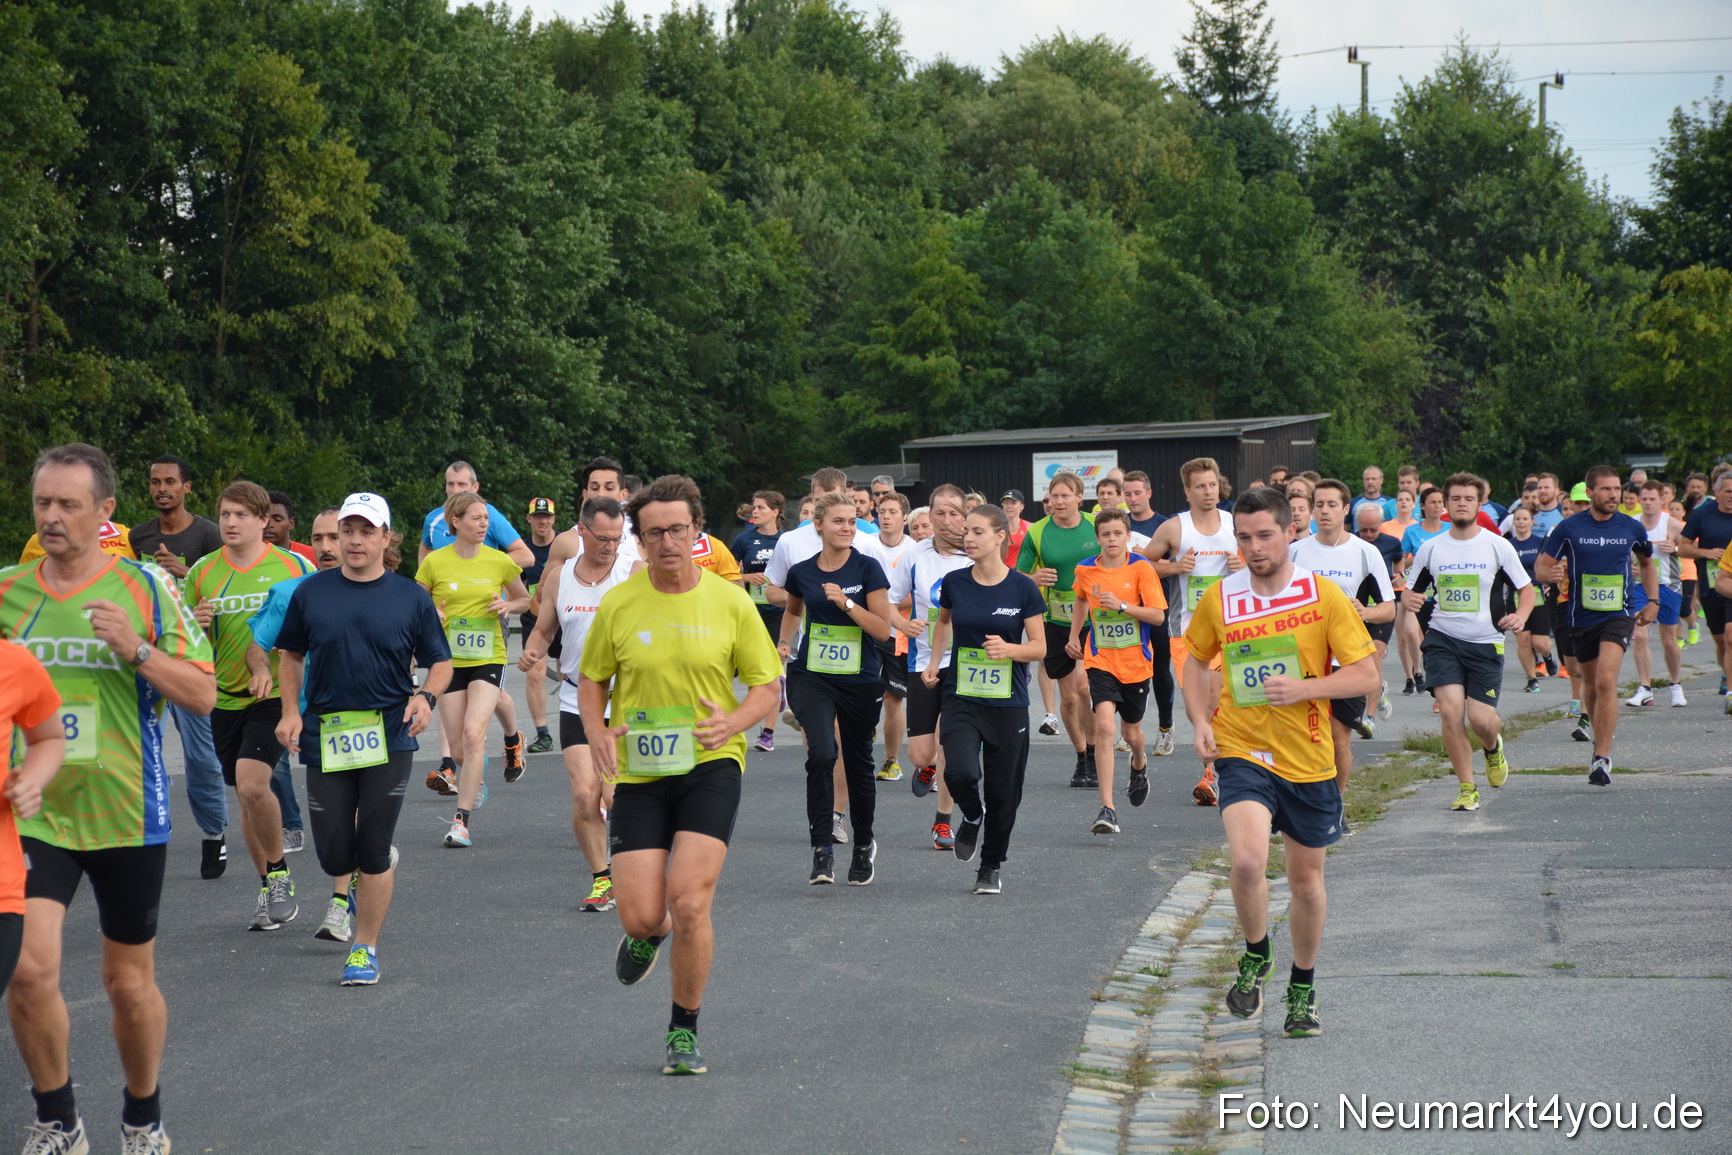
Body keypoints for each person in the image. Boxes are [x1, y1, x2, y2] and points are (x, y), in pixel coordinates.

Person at [3, 443, 216, 1155]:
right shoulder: (7, 592)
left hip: (127, 807)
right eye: (43, 503)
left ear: (105, 512)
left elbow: (204, 693)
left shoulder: (147, 588)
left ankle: (142, 1112)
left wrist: (136, 649)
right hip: (31, 811)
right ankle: (58, 1118)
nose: (53, 516)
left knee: (127, 983)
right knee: (28, 967)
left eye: (68, 503)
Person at [578, 475, 780, 1077]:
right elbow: (593, 681)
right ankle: (650, 932)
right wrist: (594, 732)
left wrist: (734, 723)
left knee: (691, 900)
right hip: (641, 769)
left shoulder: (730, 601)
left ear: (697, 532)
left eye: (677, 529)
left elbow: (766, 687)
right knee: (643, 913)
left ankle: (684, 1028)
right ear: (639, 541)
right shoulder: (620, 602)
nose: (667, 541)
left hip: (711, 763)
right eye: (654, 533)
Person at [1186, 485, 1379, 1040]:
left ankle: (1302, 985)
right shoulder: (1221, 597)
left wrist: (1305, 688)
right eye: (1243, 537)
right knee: (1247, 862)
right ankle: (1256, 953)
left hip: (1309, 757)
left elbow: (1366, 676)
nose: (1254, 547)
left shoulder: (1321, 595)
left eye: (1265, 535)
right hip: (1243, 749)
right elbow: (1195, 662)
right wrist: (1201, 720)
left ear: (1289, 531)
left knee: (1306, 883)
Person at [274, 492, 452, 986]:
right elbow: (289, 656)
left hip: (389, 733)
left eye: (365, 531)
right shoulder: (311, 592)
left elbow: (441, 661)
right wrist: (290, 711)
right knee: (334, 852)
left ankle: (364, 948)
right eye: (347, 530)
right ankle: (355, 878)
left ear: (386, 537)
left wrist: (426, 698)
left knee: (372, 848)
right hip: (325, 733)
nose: (354, 540)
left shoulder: (410, 597)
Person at [184, 481, 314, 929]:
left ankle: (279, 875)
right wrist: (196, 626)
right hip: (223, 698)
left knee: (254, 785)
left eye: (241, 515)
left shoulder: (293, 566)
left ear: (264, 521)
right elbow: (185, 644)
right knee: (245, 798)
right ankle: (266, 887)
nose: (231, 523)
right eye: (224, 515)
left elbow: (313, 627)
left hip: (276, 695)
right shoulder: (202, 571)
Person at [247, 508, 369, 944]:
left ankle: (340, 904)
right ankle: (273, 882)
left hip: (346, 716)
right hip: (288, 712)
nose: (326, 547)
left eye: (334, 537)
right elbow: (259, 647)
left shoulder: (374, 590)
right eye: (318, 539)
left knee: (344, 815)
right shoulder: (289, 593)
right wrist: (262, 673)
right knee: (250, 789)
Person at [519, 497, 639, 913]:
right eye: (602, 538)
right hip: (575, 697)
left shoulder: (633, 572)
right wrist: (532, 652)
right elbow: (543, 629)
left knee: (615, 796)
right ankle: (602, 879)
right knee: (586, 795)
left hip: (625, 700)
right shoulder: (559, 577)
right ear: (582, 531)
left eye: (617, 538)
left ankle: (636, 870)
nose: (610, 546)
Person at [923, 505, 1047, 895]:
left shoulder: (1022, 588)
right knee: (959, 771)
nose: (969, 538)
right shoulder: (955, 582)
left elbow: (1040, 647)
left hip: (1009, 703)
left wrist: (1011, 650)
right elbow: (943, 623)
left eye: (978, 531)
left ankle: (991, 865)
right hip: (962, 694)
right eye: (966, 532)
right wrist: (932, 662)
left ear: (1000, 536)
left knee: (1004, 794)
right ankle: (971, 816)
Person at [778, 493, 894, 886]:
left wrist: (846, 603)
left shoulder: (869, 568)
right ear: (819, 526)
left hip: (860, 678)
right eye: (839, 521)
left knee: (859, 763)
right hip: (812, 674)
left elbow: (882, 629)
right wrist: (783, 642)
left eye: (852, 521)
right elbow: (794, 610)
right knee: (823, 753)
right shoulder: (802, 571)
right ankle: (821, 848)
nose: (847, 527)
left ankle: (864, 844)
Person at [1403, 474, 1534, 810]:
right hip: (1443, 640)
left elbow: (1526, 589)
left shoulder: (1497, 545)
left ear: (1479, 504)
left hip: (1485, 643)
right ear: (1445, 505)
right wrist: (1409, 600)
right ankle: (1466, 788)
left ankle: (1492, 748)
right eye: (1456, 498)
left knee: (1481, 720)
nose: (1462, 503)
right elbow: (1410, 590)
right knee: (1450, 713)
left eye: (1468, 498)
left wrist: (1520, 615)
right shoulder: (1430, 548)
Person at [126, 456, 230, 879]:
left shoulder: (208, 533)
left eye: (170, 481)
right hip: (147, 658)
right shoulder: (137, 536)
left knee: (201, 758)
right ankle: (155, 819)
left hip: (191, 659)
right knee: (138, 748)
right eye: (155, 482)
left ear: (188, 487)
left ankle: (213, 835)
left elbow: (221, 592)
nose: (161, 488)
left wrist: (182, 573)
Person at [416, 492, 532, 846]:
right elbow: (414, 604)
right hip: (448, 662)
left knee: (472, 733)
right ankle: (475, 777)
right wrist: (429, 613)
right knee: (462, 752)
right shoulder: (435, 562)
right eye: (477, 518)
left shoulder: (499, 562)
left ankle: (460, 822)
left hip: (489, 658)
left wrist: (507, 604)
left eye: (486, 518)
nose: (484, 524)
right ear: (456, 522)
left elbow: (527, 600)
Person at [1538, 467, 1659, 783]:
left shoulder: (1631, 528)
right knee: (1590, 683)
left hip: (1618, 616)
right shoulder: (1569, 528)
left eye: (1617, 489)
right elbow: (1542, 565)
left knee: (1607, 680)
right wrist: (1547, 575)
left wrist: (1653, 600)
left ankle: (1601, 757)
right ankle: (1596, 732)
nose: (1613, 495)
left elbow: (1647, 563)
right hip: (1580, 617)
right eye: (1606, 489)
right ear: (1590, 493)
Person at [1290, 482, 1394, 833]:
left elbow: (1389, 609)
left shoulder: (1366, 553)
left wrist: (1363, 614)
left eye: (1331, 504)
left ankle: (1335, 806)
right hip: (1301, 659)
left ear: (1346, 509)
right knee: (1302, 736)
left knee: (1338, 738)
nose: (1323, 510)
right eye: (1318, 504)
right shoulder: (1295, 552)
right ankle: (1301, 803)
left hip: (1345, 661)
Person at [1142, 458, 1240, 805]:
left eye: (1212, 484)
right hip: (1186, 630)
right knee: (1197, 705)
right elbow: (1142, 564)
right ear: (1188, 491)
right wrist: (1173, 566)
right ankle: (1218, 767)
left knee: (1217, 698)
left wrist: (1243, 564)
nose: (1208, 491)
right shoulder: (1174, 529)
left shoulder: (1234, 524)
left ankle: (1213, 774)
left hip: (1229, 630)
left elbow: (1264, 559)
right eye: (1200, 486)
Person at [1067, 509, 1166, 834]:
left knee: (1131, 734)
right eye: (1106, 534)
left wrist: (1123, 606)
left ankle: (1139, 762)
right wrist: (1074, 636)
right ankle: (1107, 808)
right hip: (1101, 661)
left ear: (1128, 537)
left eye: (1117, 534)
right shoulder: (1086, 570)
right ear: (1097, 538)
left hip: (1136, 664)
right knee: (1106, 729)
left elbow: (1157, 616)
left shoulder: (1141, 568)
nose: (1112, 539)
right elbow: (1081, 600)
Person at [888, 485, 972, 851]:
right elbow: (889, 602)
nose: (948, 520)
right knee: (922, 753)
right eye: (940, 513)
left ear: (966, 517)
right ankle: (927, 766)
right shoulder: (915, 555)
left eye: (955, 513)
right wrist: (903, 625)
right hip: (922, 661)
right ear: (930, 518)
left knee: (949, 742)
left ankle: (943, 822)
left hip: (965, 661)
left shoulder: (976, 553)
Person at [1016, 472, 1097, 789]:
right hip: (1056, 622)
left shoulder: (1096, 523)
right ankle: (1082, 758)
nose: (1058, 502)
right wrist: (1034, 579)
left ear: (1080, 497)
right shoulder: (1037, 532)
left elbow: (1124, 557)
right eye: (1054, 496)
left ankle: (1093, 751)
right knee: (1068, 699)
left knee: (1085, 688)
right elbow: (1017, 577)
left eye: (1066, 495)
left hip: (1095, 621)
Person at [1122, 471, 1176, 755]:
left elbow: (1173, 568)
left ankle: (1165, 727)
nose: (1132, 499)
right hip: (1126, 608)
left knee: (1159, 668)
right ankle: (1130, 728)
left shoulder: (1164, 525)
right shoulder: (1119, 525)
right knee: (1129, 668)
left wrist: (1145, 559)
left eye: (1137, 493)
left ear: (1149, 493)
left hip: (1158, 604)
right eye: (1128, 494)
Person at [731, 491, 787, 751]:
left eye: (761, 508)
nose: (755, 511)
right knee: (747, 671)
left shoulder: (785, 541)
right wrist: (746, 578)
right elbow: (726, 575)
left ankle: (768, 732)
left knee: (772, 669)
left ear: (775, 512)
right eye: (754, 507)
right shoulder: (744, 540)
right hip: (749, 613)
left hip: (777, 611)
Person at [1624, 479, 1685, 708]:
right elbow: (1622, 551)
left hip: (1668, 586)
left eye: (1653, 499)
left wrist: (1676, 549)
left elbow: (1692, 547)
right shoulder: (1632, 524)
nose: (1648, 503)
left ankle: (1676, 685)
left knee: (1669, 640)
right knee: (1639, 635)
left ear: (1663, 500)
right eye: (1645, 499)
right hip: (1640, 586)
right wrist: (1629, 565)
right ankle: (1645, 688)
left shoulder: (1673, 524)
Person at [871, 493, 915, 780]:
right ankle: (857, 754)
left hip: (898, 634)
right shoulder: (864, 546)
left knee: (892, 698)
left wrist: (887, 607)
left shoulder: (914, 549)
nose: (886, 516)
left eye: (892, 512)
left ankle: (891, 761)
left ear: (905, 518)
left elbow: (917, 592)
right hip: (866, 629)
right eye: (882, 511)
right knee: (862, 695)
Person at [1679, 471, 1732, 705]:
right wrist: (1705, 552)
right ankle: (1726, 672)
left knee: (1731, 636)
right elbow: (1682, 548)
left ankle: (1731, 687)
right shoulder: (1701, 515)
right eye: (1728, 491)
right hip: (1711, 584)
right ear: (1717, 492)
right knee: (1721, 639)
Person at [1396, 487, 1449, 693]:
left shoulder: (1449, 529)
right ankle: (1416, 672)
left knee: (1433, 635)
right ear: (1424, 506)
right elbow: (1401, 561)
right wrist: (1418, 559)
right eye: (1433, 502)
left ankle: (1431, 675)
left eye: (1440, 502)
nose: (1437, 506)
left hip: (1441, 589)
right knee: (1410, 631)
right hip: (1416, 588)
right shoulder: (1412, 531)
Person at [519, 498, 561, 754]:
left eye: (547, 517)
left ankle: (580, 725)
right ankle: (543, 733)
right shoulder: (522, 549)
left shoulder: (565, 545)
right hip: (535, 617)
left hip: (564, 614)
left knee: (568, 674)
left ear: (553, 519)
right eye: (538, 516)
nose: (542, 521)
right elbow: (515, 583)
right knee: (535, 673)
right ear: (530, 519)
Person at [1354, 503, 1403, 719]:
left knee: (1374, 655)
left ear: (1381, 525)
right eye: (1363, 529)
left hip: (1383, 607)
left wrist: (1399, 574)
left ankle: (1369, 717)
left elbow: (1399, 560)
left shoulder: (1391, 543)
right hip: (1357, 608)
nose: (1368, 534)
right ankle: (1378, 689)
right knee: (1357, 662)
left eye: (1373, 529)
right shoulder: (1350, 543)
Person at [1503, 506, 1556, 693]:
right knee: (1523, 640)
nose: (1521, 522)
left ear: (1532, 522)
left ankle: (1548, 656)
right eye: (1518, 519)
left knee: (1540, 642)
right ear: (1513, 522)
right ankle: (1531, 678)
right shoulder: (1508, 545)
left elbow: (1550, 565)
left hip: (1538, 594)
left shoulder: (1540, 542)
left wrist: (1550, 581)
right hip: (1514, 595)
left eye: (1525, 519)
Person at [265, 491, 317, 565]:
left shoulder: (312, 556)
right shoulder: (246, 557)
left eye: (277, 520)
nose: (269, 525)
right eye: (264, 519)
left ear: (291, 523)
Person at [1000, 490, 1030, 564]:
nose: (1009, 506)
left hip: (1022, 573)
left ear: (1022, 506)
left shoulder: (1029, 527)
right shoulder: (996, 528)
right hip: (1003, 573)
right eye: (1006, 503)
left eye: (1013, 503)